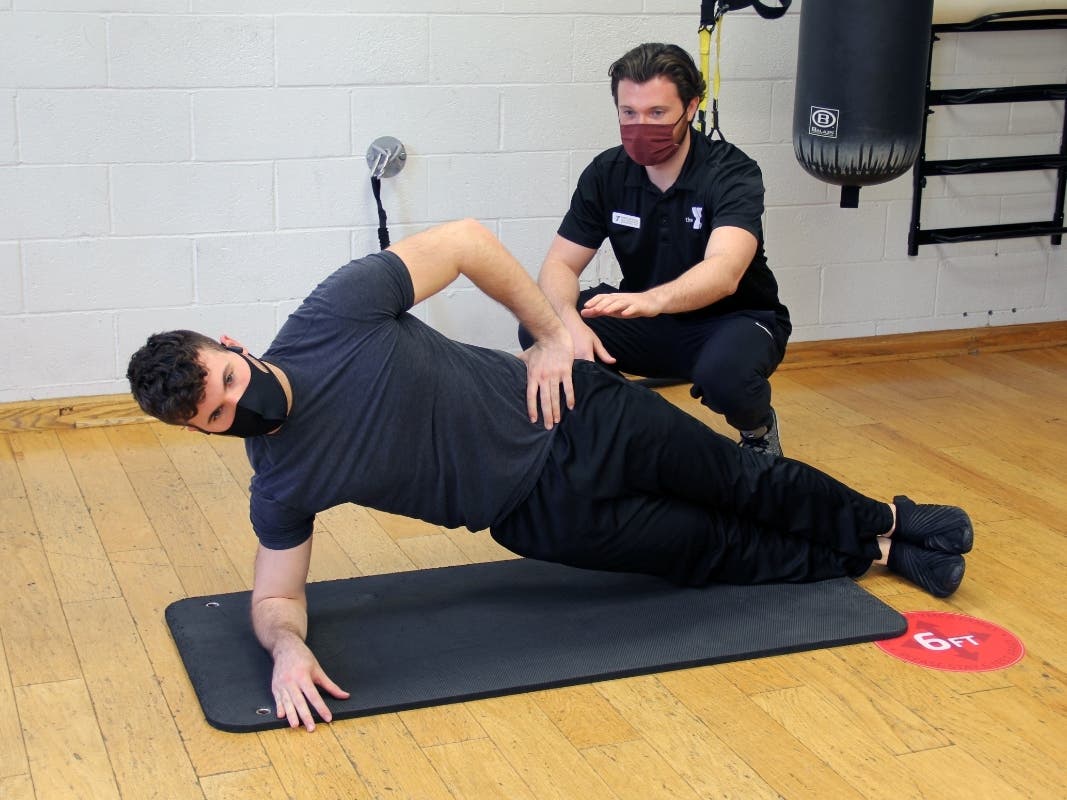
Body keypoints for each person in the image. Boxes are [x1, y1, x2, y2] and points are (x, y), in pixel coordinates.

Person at [127, 218, 972, 733]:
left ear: (232, 347)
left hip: (575, 413)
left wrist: (553, 332)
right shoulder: (279, 477)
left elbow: (462, 241)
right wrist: (281, 651)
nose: (236, 408)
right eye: (214, 417)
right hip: (537, 518)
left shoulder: (330, 316)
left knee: (743, 482)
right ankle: (883, 555)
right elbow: (276, 595)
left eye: (227, 383)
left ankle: (888, 516)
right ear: (202, 430)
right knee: (712, 553)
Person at [521, 42, 790, 456]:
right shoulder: (606, 173)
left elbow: (725, 271)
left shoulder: (732, 172)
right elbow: (560, 263)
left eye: (657, 113)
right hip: (648, 317)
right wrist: (566, 324)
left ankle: (758, 431)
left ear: (691, 107)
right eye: (629, 113)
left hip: (732, 319)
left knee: (726, 375)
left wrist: (654, 299)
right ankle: (624, 428)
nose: (640, 125)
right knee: (539, 326)